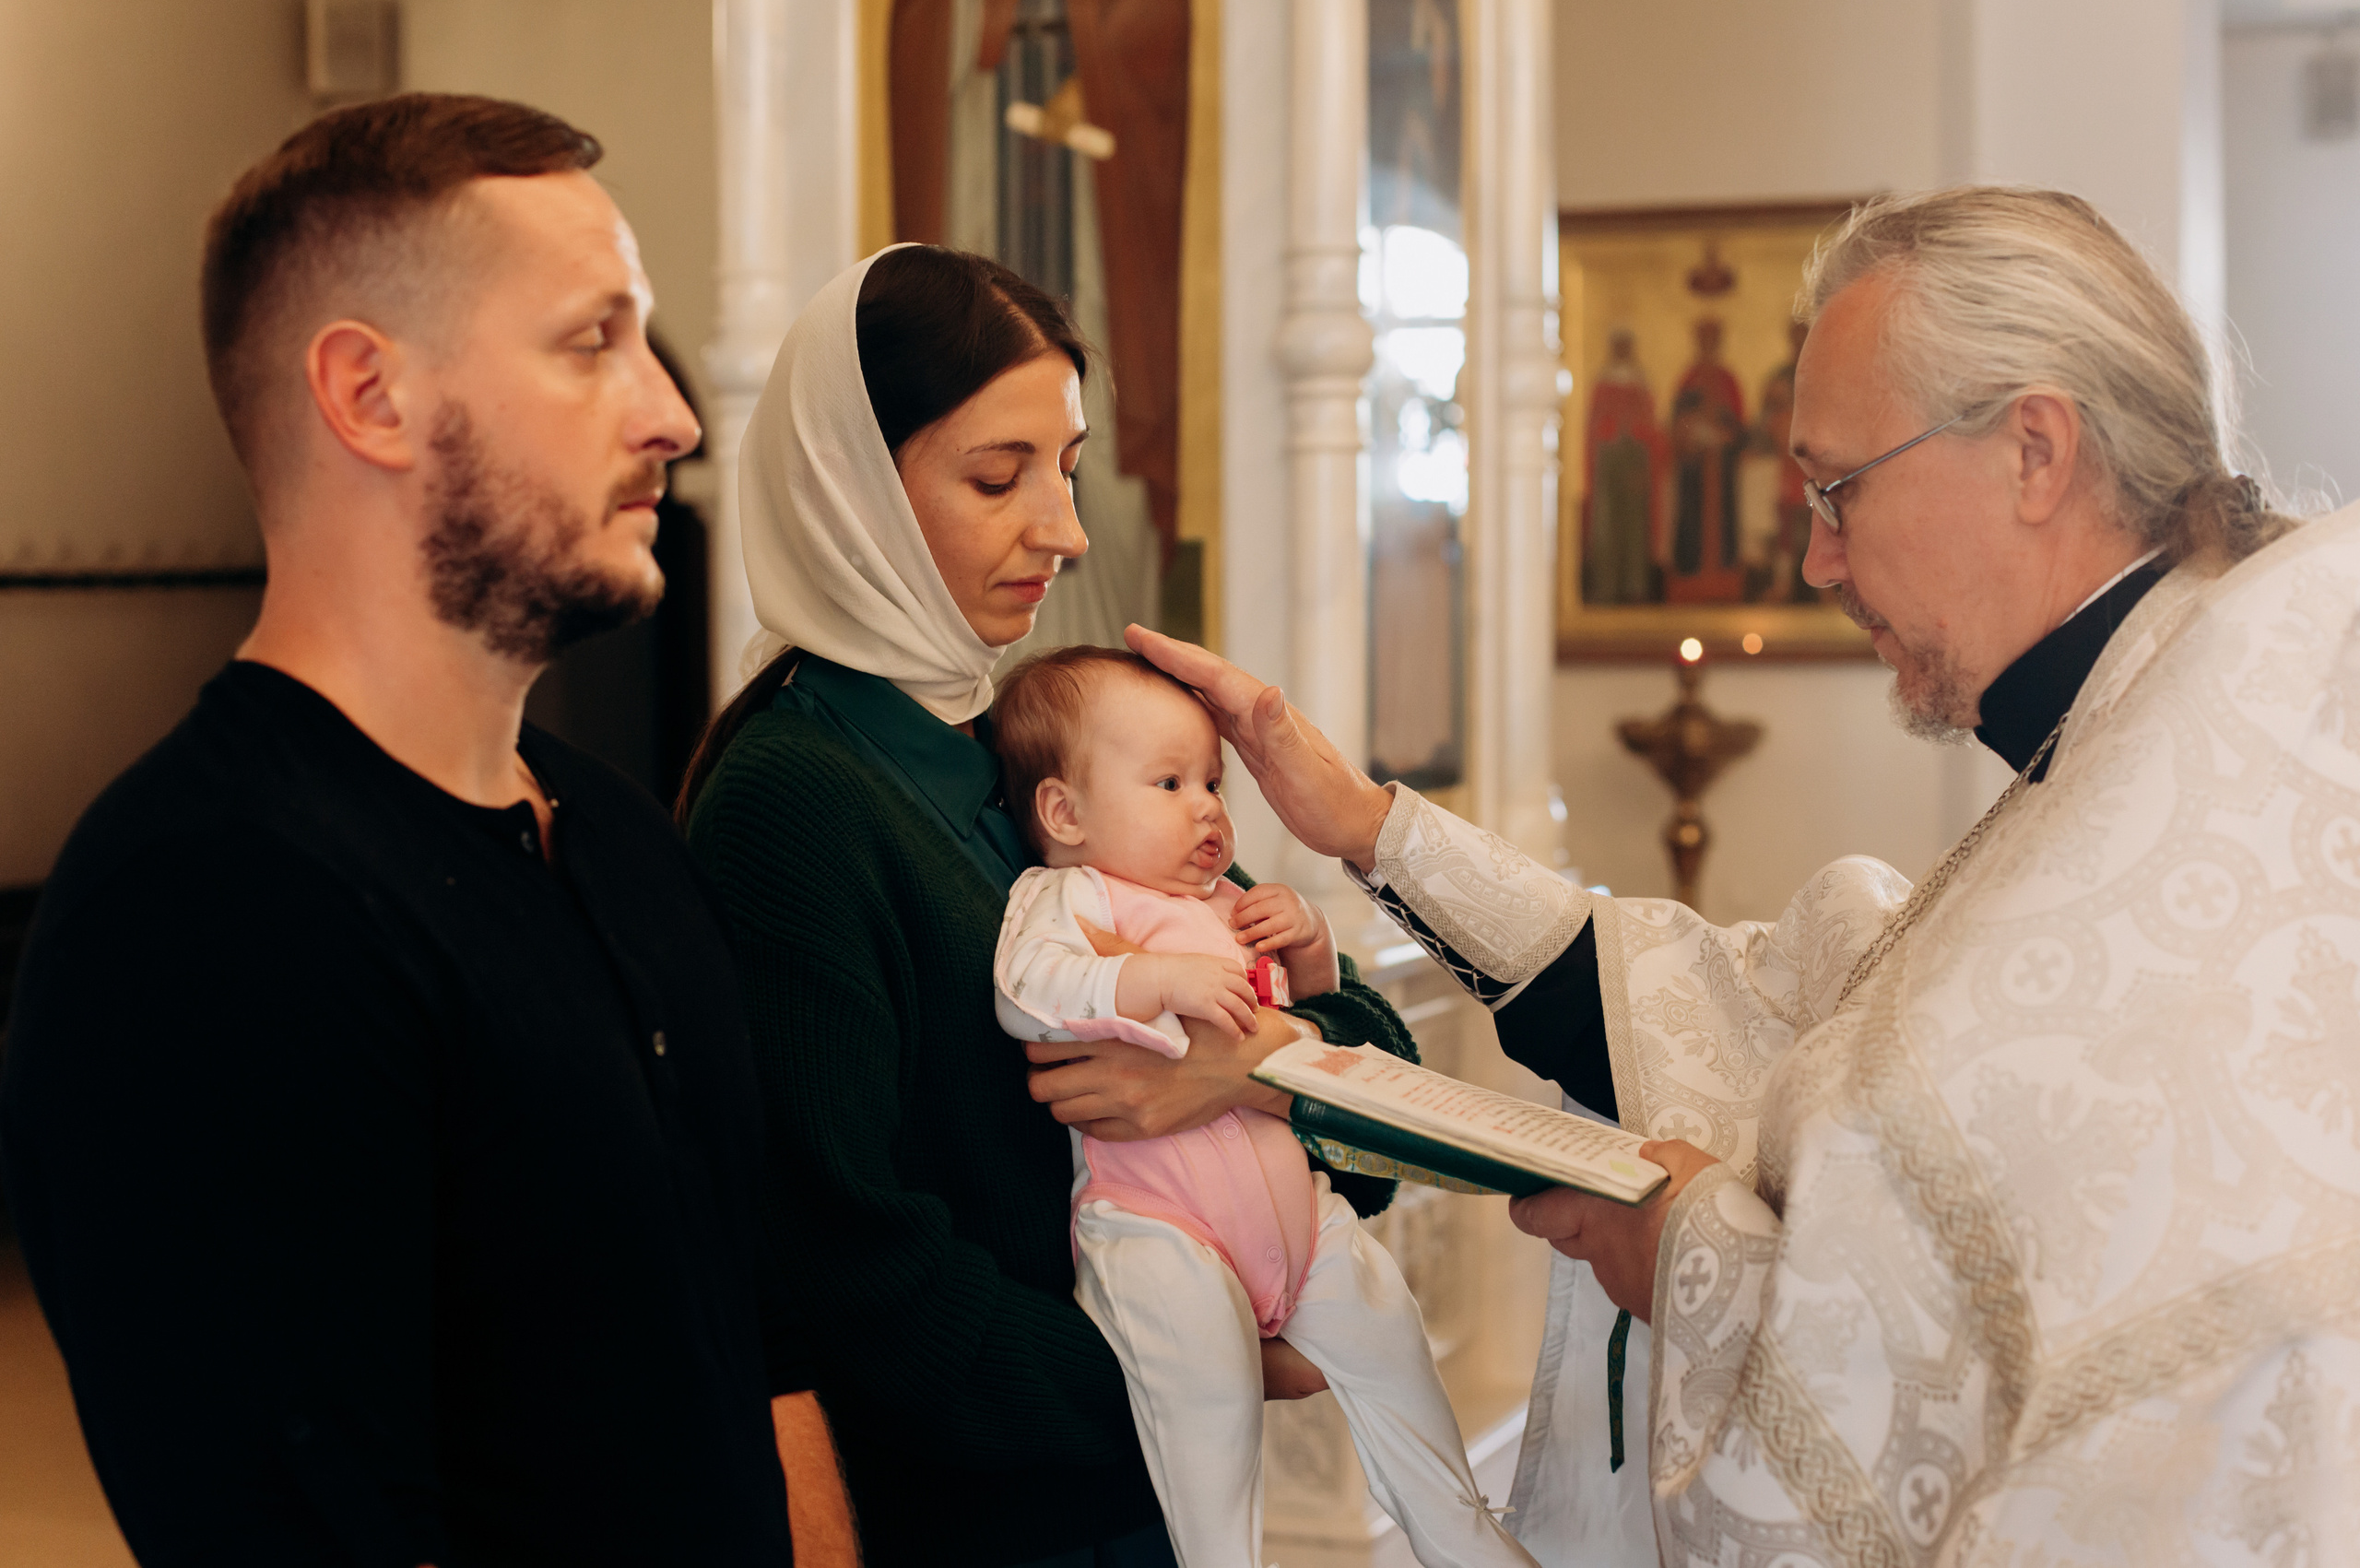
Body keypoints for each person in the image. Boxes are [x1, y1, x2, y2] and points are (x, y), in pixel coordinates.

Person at [1115, 185, 2360, 1566]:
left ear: (2034, 449)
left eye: (1838, 489)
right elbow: (1794, 1025)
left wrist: (1688, 1253)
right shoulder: (2187, 721)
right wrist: (1361, 821)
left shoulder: (2217, 776)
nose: (1817, 556)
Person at [0, 96, 850, 1566]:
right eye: (594, 341)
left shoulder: (621, 841)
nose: (672, 414)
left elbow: (754, 1344)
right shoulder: (203, 911)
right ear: (369, 395)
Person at [677, 243, 1422, 1567]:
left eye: (1067, 468)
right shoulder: (794, 800)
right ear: (851, 486)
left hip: (1133, 1488)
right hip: (991, 1518)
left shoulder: (1035, 745)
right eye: (996, 475)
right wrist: (1190, 1366)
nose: (1065, 531)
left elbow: (1372, 1092)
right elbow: (848, 1266)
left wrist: (1268, 1056)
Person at [988, 646, 1538, 1568]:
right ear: (1064, 812)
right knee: (1208, 1408)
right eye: (1168, 782)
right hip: (1161, 1224)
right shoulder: (1063, 897)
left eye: (1211, 778)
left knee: (1390, 1333)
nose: (1207, 804)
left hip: (1298, 1220)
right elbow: (1024, 991)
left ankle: (1460, 1535)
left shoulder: (1222, 901)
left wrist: (1310, 944)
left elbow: (1320, 1021)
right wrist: (1150, 977)